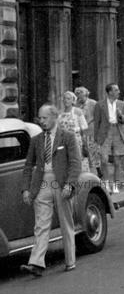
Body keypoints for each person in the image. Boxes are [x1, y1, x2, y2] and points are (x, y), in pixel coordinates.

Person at [20, 104, 81, 276]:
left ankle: (70, 261)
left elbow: (75, 163)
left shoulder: (67, 137)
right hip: (42, 183)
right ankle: (37, 263)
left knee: (66, 222)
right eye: (40, 118)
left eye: (45, 118)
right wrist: (26, 189)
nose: (42, 121)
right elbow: (28, 166)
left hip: (61, 182)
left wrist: (70, 184)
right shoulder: (36, 140)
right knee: (41, 224)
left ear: (55, 117)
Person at [93, 83, 124, 194]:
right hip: (105, 133)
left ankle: (116, 184)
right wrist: (96, 139)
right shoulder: (100, 105)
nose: (119, 92)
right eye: (116, 90)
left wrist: (121, 115)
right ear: (109, 92)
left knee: (117, 162)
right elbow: (96, 122)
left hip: (118, 131)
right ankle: (106, 183)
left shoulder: (122, 104)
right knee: (104, 159)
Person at [58, 91, 89, 171]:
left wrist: (75, 129)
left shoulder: (77, 111)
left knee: (77, 161)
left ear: (73, 100)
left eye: (68, 99)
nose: (66, 100)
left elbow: (85, 126)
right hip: (64, 141)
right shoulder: (60, 114)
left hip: (76, 140)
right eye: (64, 98)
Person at [75, 86, 98, 176]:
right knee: (84, 152)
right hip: (81, 132)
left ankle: (96, 170)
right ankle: (89, 171)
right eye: (77, 94)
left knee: (93, 151)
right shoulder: (76, 105)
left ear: (86, 94)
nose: (79, 96)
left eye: (80, 93)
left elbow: (97, 116)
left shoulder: (93, 103)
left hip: (91, 130)